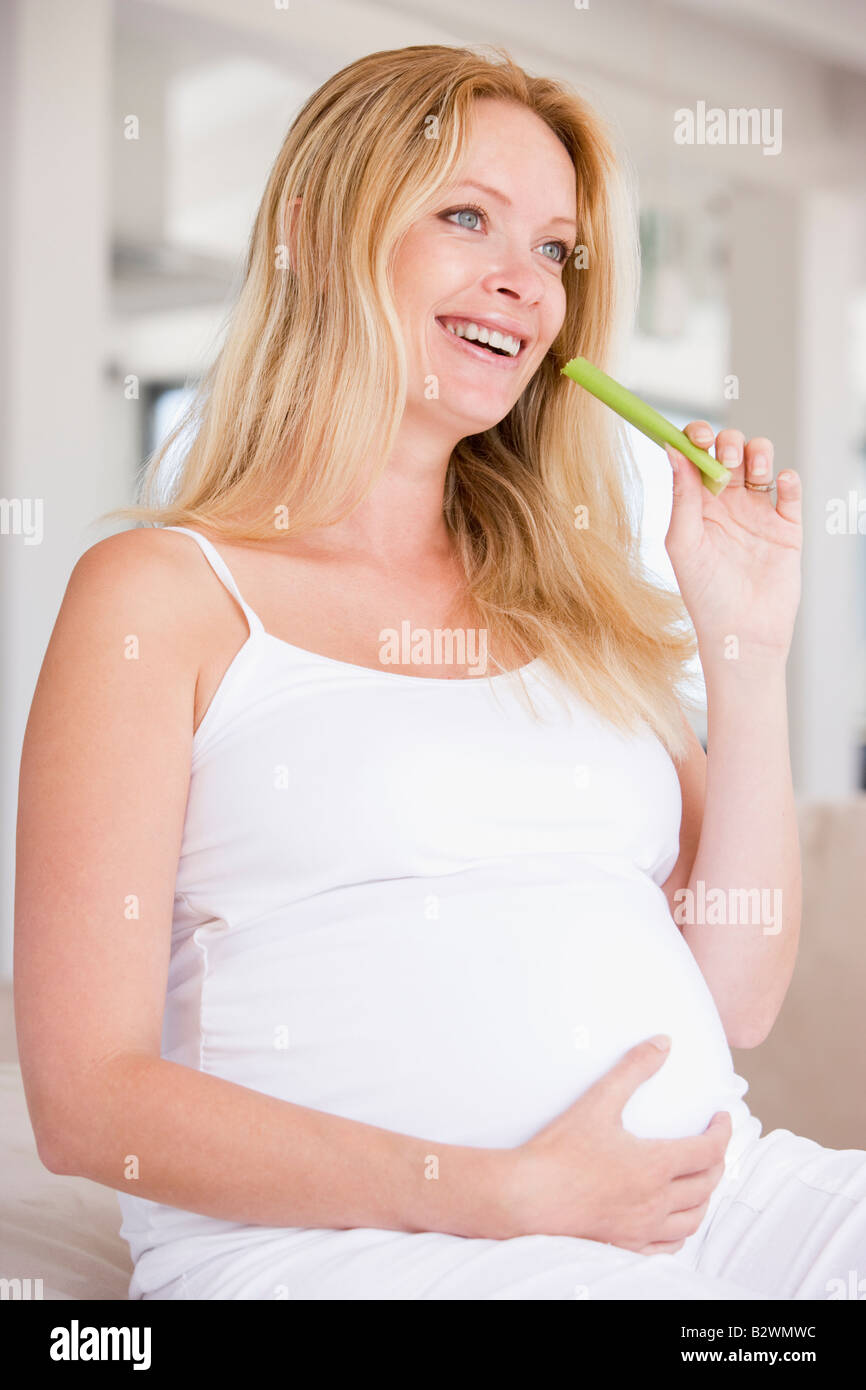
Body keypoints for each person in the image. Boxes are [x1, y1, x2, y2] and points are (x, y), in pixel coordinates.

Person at [14, 44, 866, 1302]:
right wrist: (500, 1192)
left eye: (554, 251)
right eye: (467, 217)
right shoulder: (163, 594)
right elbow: (89, 1105)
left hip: (727, 1209)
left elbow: (736, 995)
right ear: (313, 232)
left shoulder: (579, 603)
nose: (521, 284)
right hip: (363, 1255)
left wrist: (743, 653)